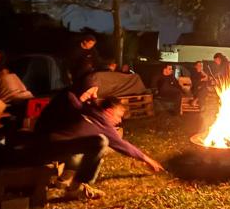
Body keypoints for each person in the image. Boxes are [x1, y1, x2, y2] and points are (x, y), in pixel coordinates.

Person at [34, 75, 163, 200]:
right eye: (118, 116)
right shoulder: (72, 101)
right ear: (108, 112)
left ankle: (67, 179)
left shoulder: (86, 108)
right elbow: (123, 145)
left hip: (56, 144)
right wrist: (148, 160)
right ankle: (75, 188)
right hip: (49, 145)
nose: (119, 121)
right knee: (100, 143)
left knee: (90, 152)